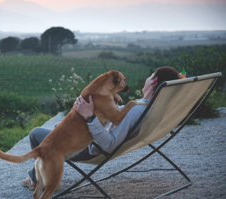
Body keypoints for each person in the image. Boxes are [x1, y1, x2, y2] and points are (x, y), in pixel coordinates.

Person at [21, 66, 181, 190]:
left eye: (150, 76)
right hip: (92, 141)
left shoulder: (137, 110)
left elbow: (108, 144)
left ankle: (36, 179)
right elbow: (117, 117)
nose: (148, 78)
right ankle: (38, 175)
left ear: (153, 81)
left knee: (36, 134)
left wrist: (89, 116)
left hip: (90, 148)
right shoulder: (148, 108)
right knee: (56, 130)